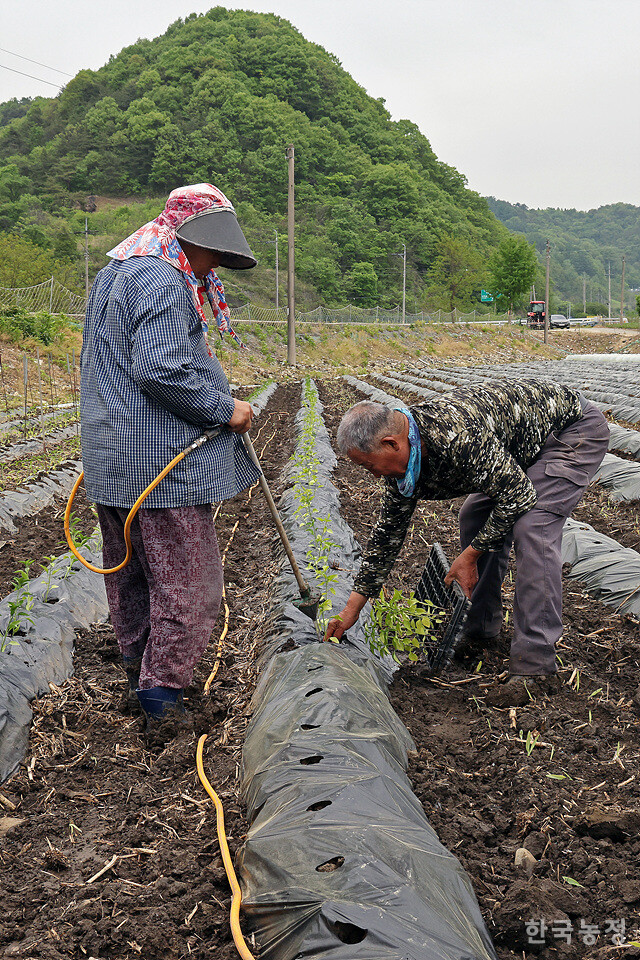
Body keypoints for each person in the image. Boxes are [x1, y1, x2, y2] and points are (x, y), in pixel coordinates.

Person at [80, 183, 260, 719]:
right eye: (214, 254)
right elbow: (161, 368)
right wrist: (224, 408)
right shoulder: (163, 279)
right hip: (161, 466)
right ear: (192, 237)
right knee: (188, 581)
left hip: (112, 456)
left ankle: (141, 670)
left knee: (129, 570)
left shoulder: (119, 272)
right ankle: (163, 696)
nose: (215, 267)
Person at [324, 378, 609, 706]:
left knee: (534, 527)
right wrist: (350, 610)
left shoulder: (456, 438)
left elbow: (518, 495)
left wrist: (470, 555)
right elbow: (387, 535)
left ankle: (535, 666)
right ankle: (481, 629)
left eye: (368, 464)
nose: (372, 473)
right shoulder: (406, 462)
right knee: (474, 516)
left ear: (391, 443)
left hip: (569, 432)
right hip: (520, 443)